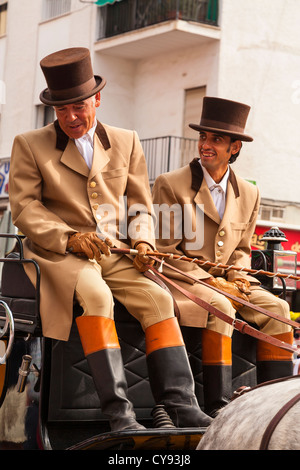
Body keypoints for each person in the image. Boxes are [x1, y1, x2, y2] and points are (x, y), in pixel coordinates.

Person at [8, 47, 212, 431]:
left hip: (115, 253)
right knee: (98, 296)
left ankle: (181, 405)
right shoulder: (29, 144)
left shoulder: (127, 140)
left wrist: (144, 243)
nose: (70, 117)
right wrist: (69, 237)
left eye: (79, 106)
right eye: (62, 109)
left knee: (159, 298)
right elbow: (25, 208)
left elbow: (140, 203)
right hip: (58, 254)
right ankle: (120, 415)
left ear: (97, 99)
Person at [152, 96, 294, 418]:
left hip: (229, 283)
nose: (206, 145)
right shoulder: (169, 184)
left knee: (279, 308)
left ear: (235, 148)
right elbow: (166, 252)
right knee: (221, 306)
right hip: (182, 281)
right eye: (203, 137)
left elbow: (242, 250)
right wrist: (215, 283)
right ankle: (218, 406)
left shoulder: (250, 192)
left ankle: (275, 406)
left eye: (216, 139)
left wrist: (240, 278)